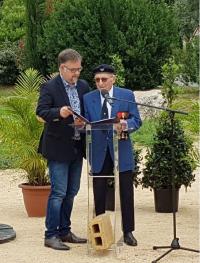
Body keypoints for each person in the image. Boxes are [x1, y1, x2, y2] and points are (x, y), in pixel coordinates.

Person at [36, 48, 90, 250]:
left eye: (79, 69)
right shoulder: (49, 87)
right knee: (58, 192)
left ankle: (65, 231)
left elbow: (87, 111)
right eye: (73, 69)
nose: (76, 73)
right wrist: (59, 112)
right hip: (58, 147)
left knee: (72, 191)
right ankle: (50, 235)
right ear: (62, 68)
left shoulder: (83, 86)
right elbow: (41, 111)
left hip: (77, 146)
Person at [83, 64, 142, 246]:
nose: (100, 83)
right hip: (99, 151)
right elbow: (85, 122)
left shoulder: (126, 95)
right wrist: (82, 125)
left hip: (120, 150)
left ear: (113, 79)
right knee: (99, 194)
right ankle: (99, 233)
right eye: (97, 80)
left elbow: (136, 120)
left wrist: (124, 125)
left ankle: (128, 232)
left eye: (104, 79)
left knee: (126, 192)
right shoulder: (88, 98)